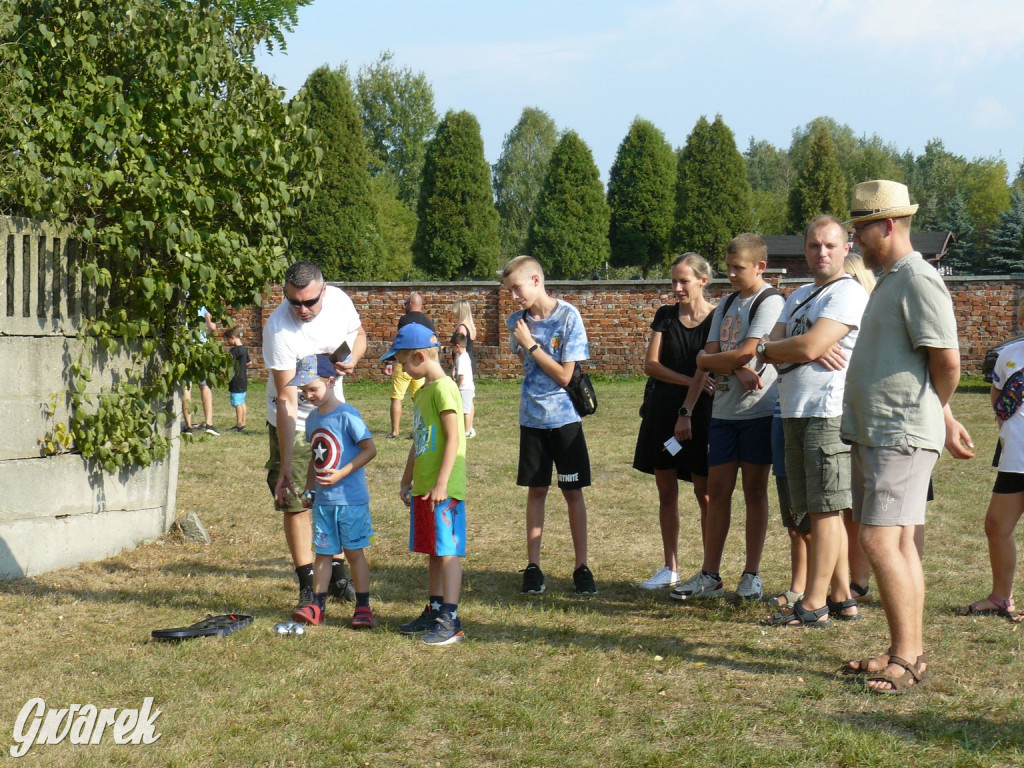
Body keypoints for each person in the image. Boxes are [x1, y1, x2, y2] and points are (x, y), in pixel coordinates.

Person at [840, 180, 965, 692]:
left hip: (899, 433)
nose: (854, 239)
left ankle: (907, 658)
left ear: (887, 225)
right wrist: (946, 417)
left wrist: (934, 414)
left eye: (860, 228)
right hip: (880, 432)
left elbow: (947, 361)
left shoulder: (918, 278)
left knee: (877, 539)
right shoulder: (891, 278)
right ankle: (905, 649)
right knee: (901, 542)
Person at [758, 215, 869, 627]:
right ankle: (842, 597)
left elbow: (802, 346)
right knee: (812, 512)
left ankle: (813, 603)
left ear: (846, 249)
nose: (821, 252)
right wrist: (790, 348)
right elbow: (772, 345)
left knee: (826, 510)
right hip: (793, 409)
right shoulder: (800, 294)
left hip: (828, 412)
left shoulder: (848, 293)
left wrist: (790, 348)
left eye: (830, 245)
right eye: (813, 245)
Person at [670, 233, 784, 602]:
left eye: (739, 268)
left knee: (754, 492)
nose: (732, 275)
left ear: (759, 267)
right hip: (723, 412)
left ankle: (751, 574)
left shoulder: (770, 302)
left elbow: (740, 353)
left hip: (758, 411)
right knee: (716, 492)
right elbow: (714, 355)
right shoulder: (728, 302)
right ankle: (710, 573)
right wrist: (729, 366)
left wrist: (717, 362)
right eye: (728, 268)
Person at [263, 260, 367, 614]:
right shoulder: (279, 328)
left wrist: (353, 359)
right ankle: (307, 583)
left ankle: (337, 574)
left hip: (333, 417)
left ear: (324, 290)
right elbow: (287, 399)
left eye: (310, 302)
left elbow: (360, 335)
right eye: (295, 302)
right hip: (291, 419)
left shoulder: (339, 302)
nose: (302, 310)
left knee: (332, 494)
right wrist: (288, 465)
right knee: (295, 500)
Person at [502, 255, 597, 596]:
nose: (513, 297)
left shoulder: (569, 316)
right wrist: (524, 343)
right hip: (532, 420)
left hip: (566, 419)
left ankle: (582, 567)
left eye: (517, 288)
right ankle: (533, 567)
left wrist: (532, 345)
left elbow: (564, 375)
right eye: (509, 290)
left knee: (573, 492)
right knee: (537, 490)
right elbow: (523, 364)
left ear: (536, 280)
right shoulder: (516, 320)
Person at [632, 253, 716, 590]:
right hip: (663, 412)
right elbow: (651, 365)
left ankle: (710, 570)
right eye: (674, 281)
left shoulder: (717, 318)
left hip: (703, 414)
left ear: (702, 281)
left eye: (684, 281)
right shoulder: (665, 316)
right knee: (665, 490)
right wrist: (688, 381)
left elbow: (710, 364)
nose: (677, 287)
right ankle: (671, 567)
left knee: (704, 493)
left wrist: (692, 398)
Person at [385, 323, 468, 645]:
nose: (402, 368)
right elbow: (418, 441)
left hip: (442, 490)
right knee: (433, 551)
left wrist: (443, 483)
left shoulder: (445, 389)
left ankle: (452, 618)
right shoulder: (422, 393)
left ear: (420, 356)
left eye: (404, 362)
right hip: (424, 487)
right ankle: (435, 610)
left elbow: (454, 437)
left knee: (447, 552)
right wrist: (408, 479)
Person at [288, 355, 378, 629]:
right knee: (323, 554)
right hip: (324, 503)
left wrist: (342, 472)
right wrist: (308, 490)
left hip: (350, 502)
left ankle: (363, 607)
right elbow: (316, 458)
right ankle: (317, 605)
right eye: (303, 391)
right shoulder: (313, 420)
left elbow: (370, 449)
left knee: (353, 553)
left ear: (330, 381)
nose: (307, 395)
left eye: (312, 389)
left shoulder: (348, 415)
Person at [961, 296, 1024, 621]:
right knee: (996, 526)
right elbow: (998, 394)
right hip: (1015, 459)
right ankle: (1001, 598)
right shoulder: (1009, 354)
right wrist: (1002, 419)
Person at [383, 293, 433, 439]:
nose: (404, 307)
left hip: (404, 363)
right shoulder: (428, 322)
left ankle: (395, 432)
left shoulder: (405, 320)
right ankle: (417, 430)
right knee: (418, 399)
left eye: (405, 304)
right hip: (420, 364)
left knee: (397, 397)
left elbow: (399, 342)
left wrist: (389, 361)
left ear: (411, 304)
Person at [183, 306, 219, 436]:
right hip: (200, 348)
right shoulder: (202, 305)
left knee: (187, 387)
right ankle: (209, 424)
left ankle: (188, 426)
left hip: (185, 347)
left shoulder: (181, 302)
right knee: (204, 386)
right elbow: (212, 327)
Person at [451, 331, 476, 438]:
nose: (451, 349)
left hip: (464, 388)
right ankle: (469, 428)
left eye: (452, 347)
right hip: (469, 386)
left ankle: (466, 431)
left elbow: (461, 375)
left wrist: (457, 387)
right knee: (469, 406)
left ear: (457, 346)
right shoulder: (465, 356)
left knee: (465, 410)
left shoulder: (461, 359)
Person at [225, 327, 250, 432]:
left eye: (228, 340)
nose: (228, 342)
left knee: (237, 403)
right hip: (243, 379)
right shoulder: (244, 349)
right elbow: (249, 362)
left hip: (236, 379)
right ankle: (243, 422)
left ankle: (239, 424)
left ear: (232, 337)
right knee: (242, 402)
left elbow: (228, 364)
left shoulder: (234, 351)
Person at [452, 299, 478, 373]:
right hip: (470, 359)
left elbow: (459, 348)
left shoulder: (462, 328)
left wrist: (454, 367)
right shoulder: (472, 327)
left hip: (462, 362)